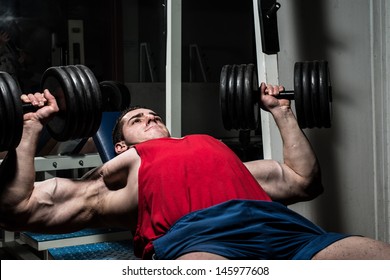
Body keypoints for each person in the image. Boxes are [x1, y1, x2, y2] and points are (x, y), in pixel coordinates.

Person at [0, 83, 390, 260]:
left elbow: (304, 181)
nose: (151, 117)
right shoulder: (117, 175)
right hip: (198, 242)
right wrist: (32, 126)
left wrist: (281, 113)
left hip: (282, 228)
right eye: (138, 118)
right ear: (120, 146)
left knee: (377, 257)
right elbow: (21, 207)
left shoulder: (216, 151)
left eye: (155, 115)